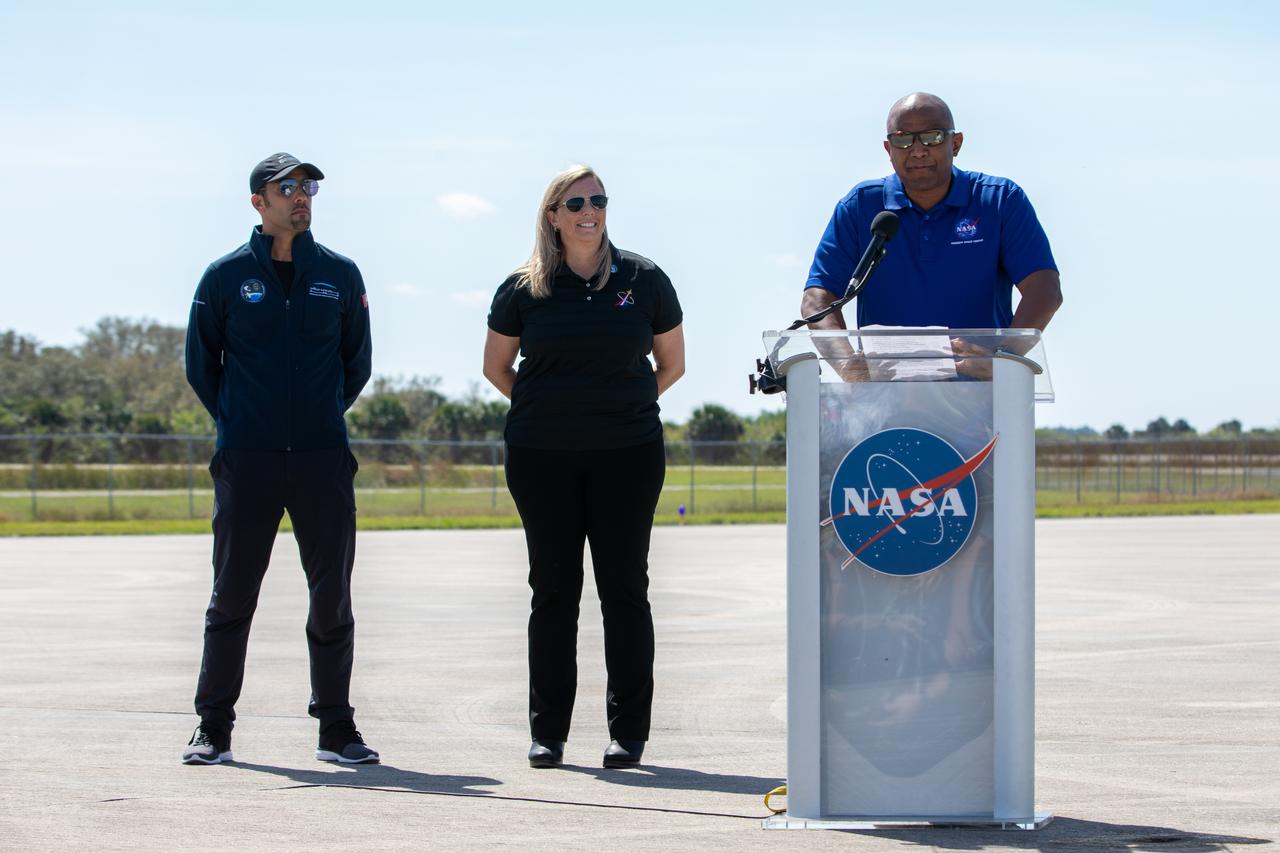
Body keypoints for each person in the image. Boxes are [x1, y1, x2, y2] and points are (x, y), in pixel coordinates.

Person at [483, 165, 685, 770]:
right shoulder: (523, 288)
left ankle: (628, 734)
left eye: (598, 200)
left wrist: (618, 408)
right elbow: (497, 368)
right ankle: (549, 732)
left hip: (628, 454)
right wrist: (551, 411)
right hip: (542, 457)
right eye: (575, 202)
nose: (588, 211)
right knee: (553, 592)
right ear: (553, 214)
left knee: (625, 591)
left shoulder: (644, 279)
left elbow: (671, 366)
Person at [181, 152, 376, 766]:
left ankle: (336, 729)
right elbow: (200, 365)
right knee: (232, 595)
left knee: (332, 598)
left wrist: (318, 414)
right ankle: (213, 726)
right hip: (248, 459)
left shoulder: (340, 276)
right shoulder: (224, 277)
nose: (301, 196)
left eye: (309, 187)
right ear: (258, 201)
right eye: (287, 187)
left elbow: (356, 363)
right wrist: (243, 420)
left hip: (322, 458)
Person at [802, 92, 1062, 336]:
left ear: (956, 143)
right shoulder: (860, 206)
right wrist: (849, 366)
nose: (917, 150)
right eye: (902, 139)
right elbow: (817, 299)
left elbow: (1044, 290)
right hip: (884, 383)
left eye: (932, 137)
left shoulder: (999, 200)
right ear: (888, 149)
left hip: (983, 381)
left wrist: (1002, 357)